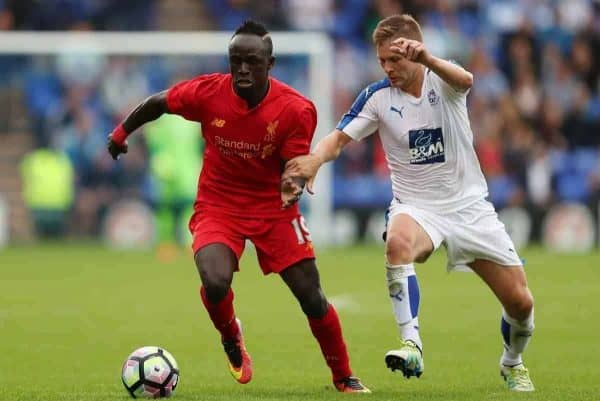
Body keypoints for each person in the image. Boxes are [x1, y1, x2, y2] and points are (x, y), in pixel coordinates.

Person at [105, 20, 369, 393]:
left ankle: (343, 376)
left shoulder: (296, 110)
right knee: (214, 280)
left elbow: (294, 167)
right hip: (218, 205)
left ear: (270, 64)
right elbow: (157, 103)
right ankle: (231, 337)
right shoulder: (209, 92)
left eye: (252, 61)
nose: (242, 69)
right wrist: (120, 134)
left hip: (271, 208)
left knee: (311, 295)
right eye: (236, 60)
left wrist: (291, 187)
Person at [284, 14, 535, 392]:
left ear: (414, 54)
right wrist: (314, 161)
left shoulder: (443, 82)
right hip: (417, 207)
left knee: (521, 304)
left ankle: (512, 361)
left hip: (469, 208)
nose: (387, 68)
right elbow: (336, 139)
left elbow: (466, 80)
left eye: (394, 60)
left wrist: (429, 58)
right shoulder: (378, 97)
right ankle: (411, 343)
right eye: (381, 60)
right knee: (397, 241)